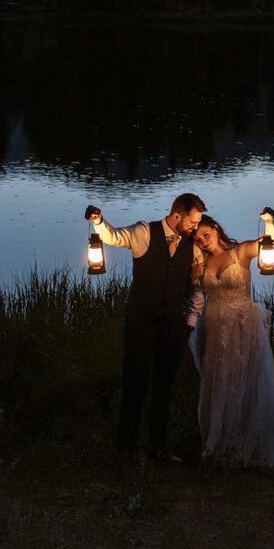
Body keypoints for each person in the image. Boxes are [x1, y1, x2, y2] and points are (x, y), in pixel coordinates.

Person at [84, 193, 207, 462]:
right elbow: (114, 236)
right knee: (134, 385)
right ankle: (126, 451)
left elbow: (197, 289)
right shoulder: (143, 232)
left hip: (174, 327)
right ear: (177, 215)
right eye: (193, 221)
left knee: (164, 388)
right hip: (140, 322)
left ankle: (158, 449)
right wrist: (98, 221)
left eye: (197, 223)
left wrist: (189, 324)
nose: (195, 227)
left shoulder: (193, 246)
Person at [191, 208, 274, 471]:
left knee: (246, 379)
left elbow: (268, 244)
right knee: (220, 381)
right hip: (215, 328)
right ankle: (220, 442)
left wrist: (269, 223)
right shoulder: (202, 264)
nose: (203, 241)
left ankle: (247, 442)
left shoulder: (242, 251)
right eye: (198, 239)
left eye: (205, 235)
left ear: (215, 229)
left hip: (243, 326)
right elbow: (194, 292)